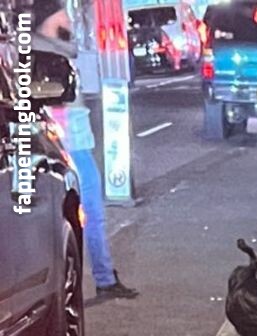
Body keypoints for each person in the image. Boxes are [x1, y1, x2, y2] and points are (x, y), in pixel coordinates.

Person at [32, 3, 138, 300]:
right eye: (62, 14)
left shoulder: (53, 50)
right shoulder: (45, 53)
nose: (68, 19)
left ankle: (98, 278)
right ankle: (96, 280)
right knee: (87, 213)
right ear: (48, 20)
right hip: (68, 145)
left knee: (83, 214)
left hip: (71, 142)